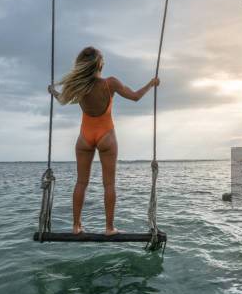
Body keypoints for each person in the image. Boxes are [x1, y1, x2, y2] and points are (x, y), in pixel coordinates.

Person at [48, 46, 159, 236]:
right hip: (106, 136)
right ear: (101, 64)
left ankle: (76, 226)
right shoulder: (110, 83)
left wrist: (53, 91)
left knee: (81, 183)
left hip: (84, 137)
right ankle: (109, 228)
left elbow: (63, 100)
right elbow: (135, 97)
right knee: (109, 185)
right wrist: (151, 83)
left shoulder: (79, 87)